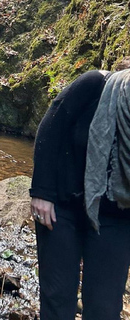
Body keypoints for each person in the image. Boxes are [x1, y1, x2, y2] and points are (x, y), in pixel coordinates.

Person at [30, 61, 130, 320]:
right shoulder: (95, 85)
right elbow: (50, 129)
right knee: (57, 300)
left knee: (105, 308)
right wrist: (42, 193)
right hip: (62, 206)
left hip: (116, 216)